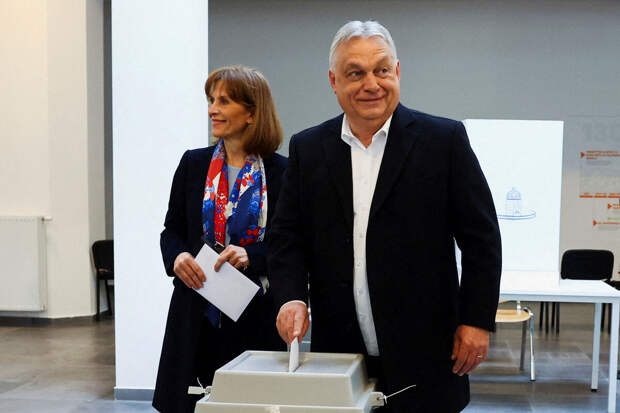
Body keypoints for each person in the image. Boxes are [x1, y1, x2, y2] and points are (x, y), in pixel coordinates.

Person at [268, 21, 501, 413]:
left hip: (426, 351)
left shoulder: (443, 141)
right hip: (340, 352)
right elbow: (287, 235)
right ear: (333, 81)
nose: (371, 84)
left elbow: (482, 240)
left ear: (398, 72)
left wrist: (476, 321)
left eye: (381, 70)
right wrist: (290, 296)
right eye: (355, 73)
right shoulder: (308, 148)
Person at [153, 66, 287, 413]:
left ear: (252, 113)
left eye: (224, 101)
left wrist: (251, 254)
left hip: (254, 316)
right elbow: (171, 231)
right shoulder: (193, 164)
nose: (213, 109)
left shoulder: (283, 172)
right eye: (211, 100)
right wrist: (178, 256)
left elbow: (290, 245)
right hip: (195, 312)